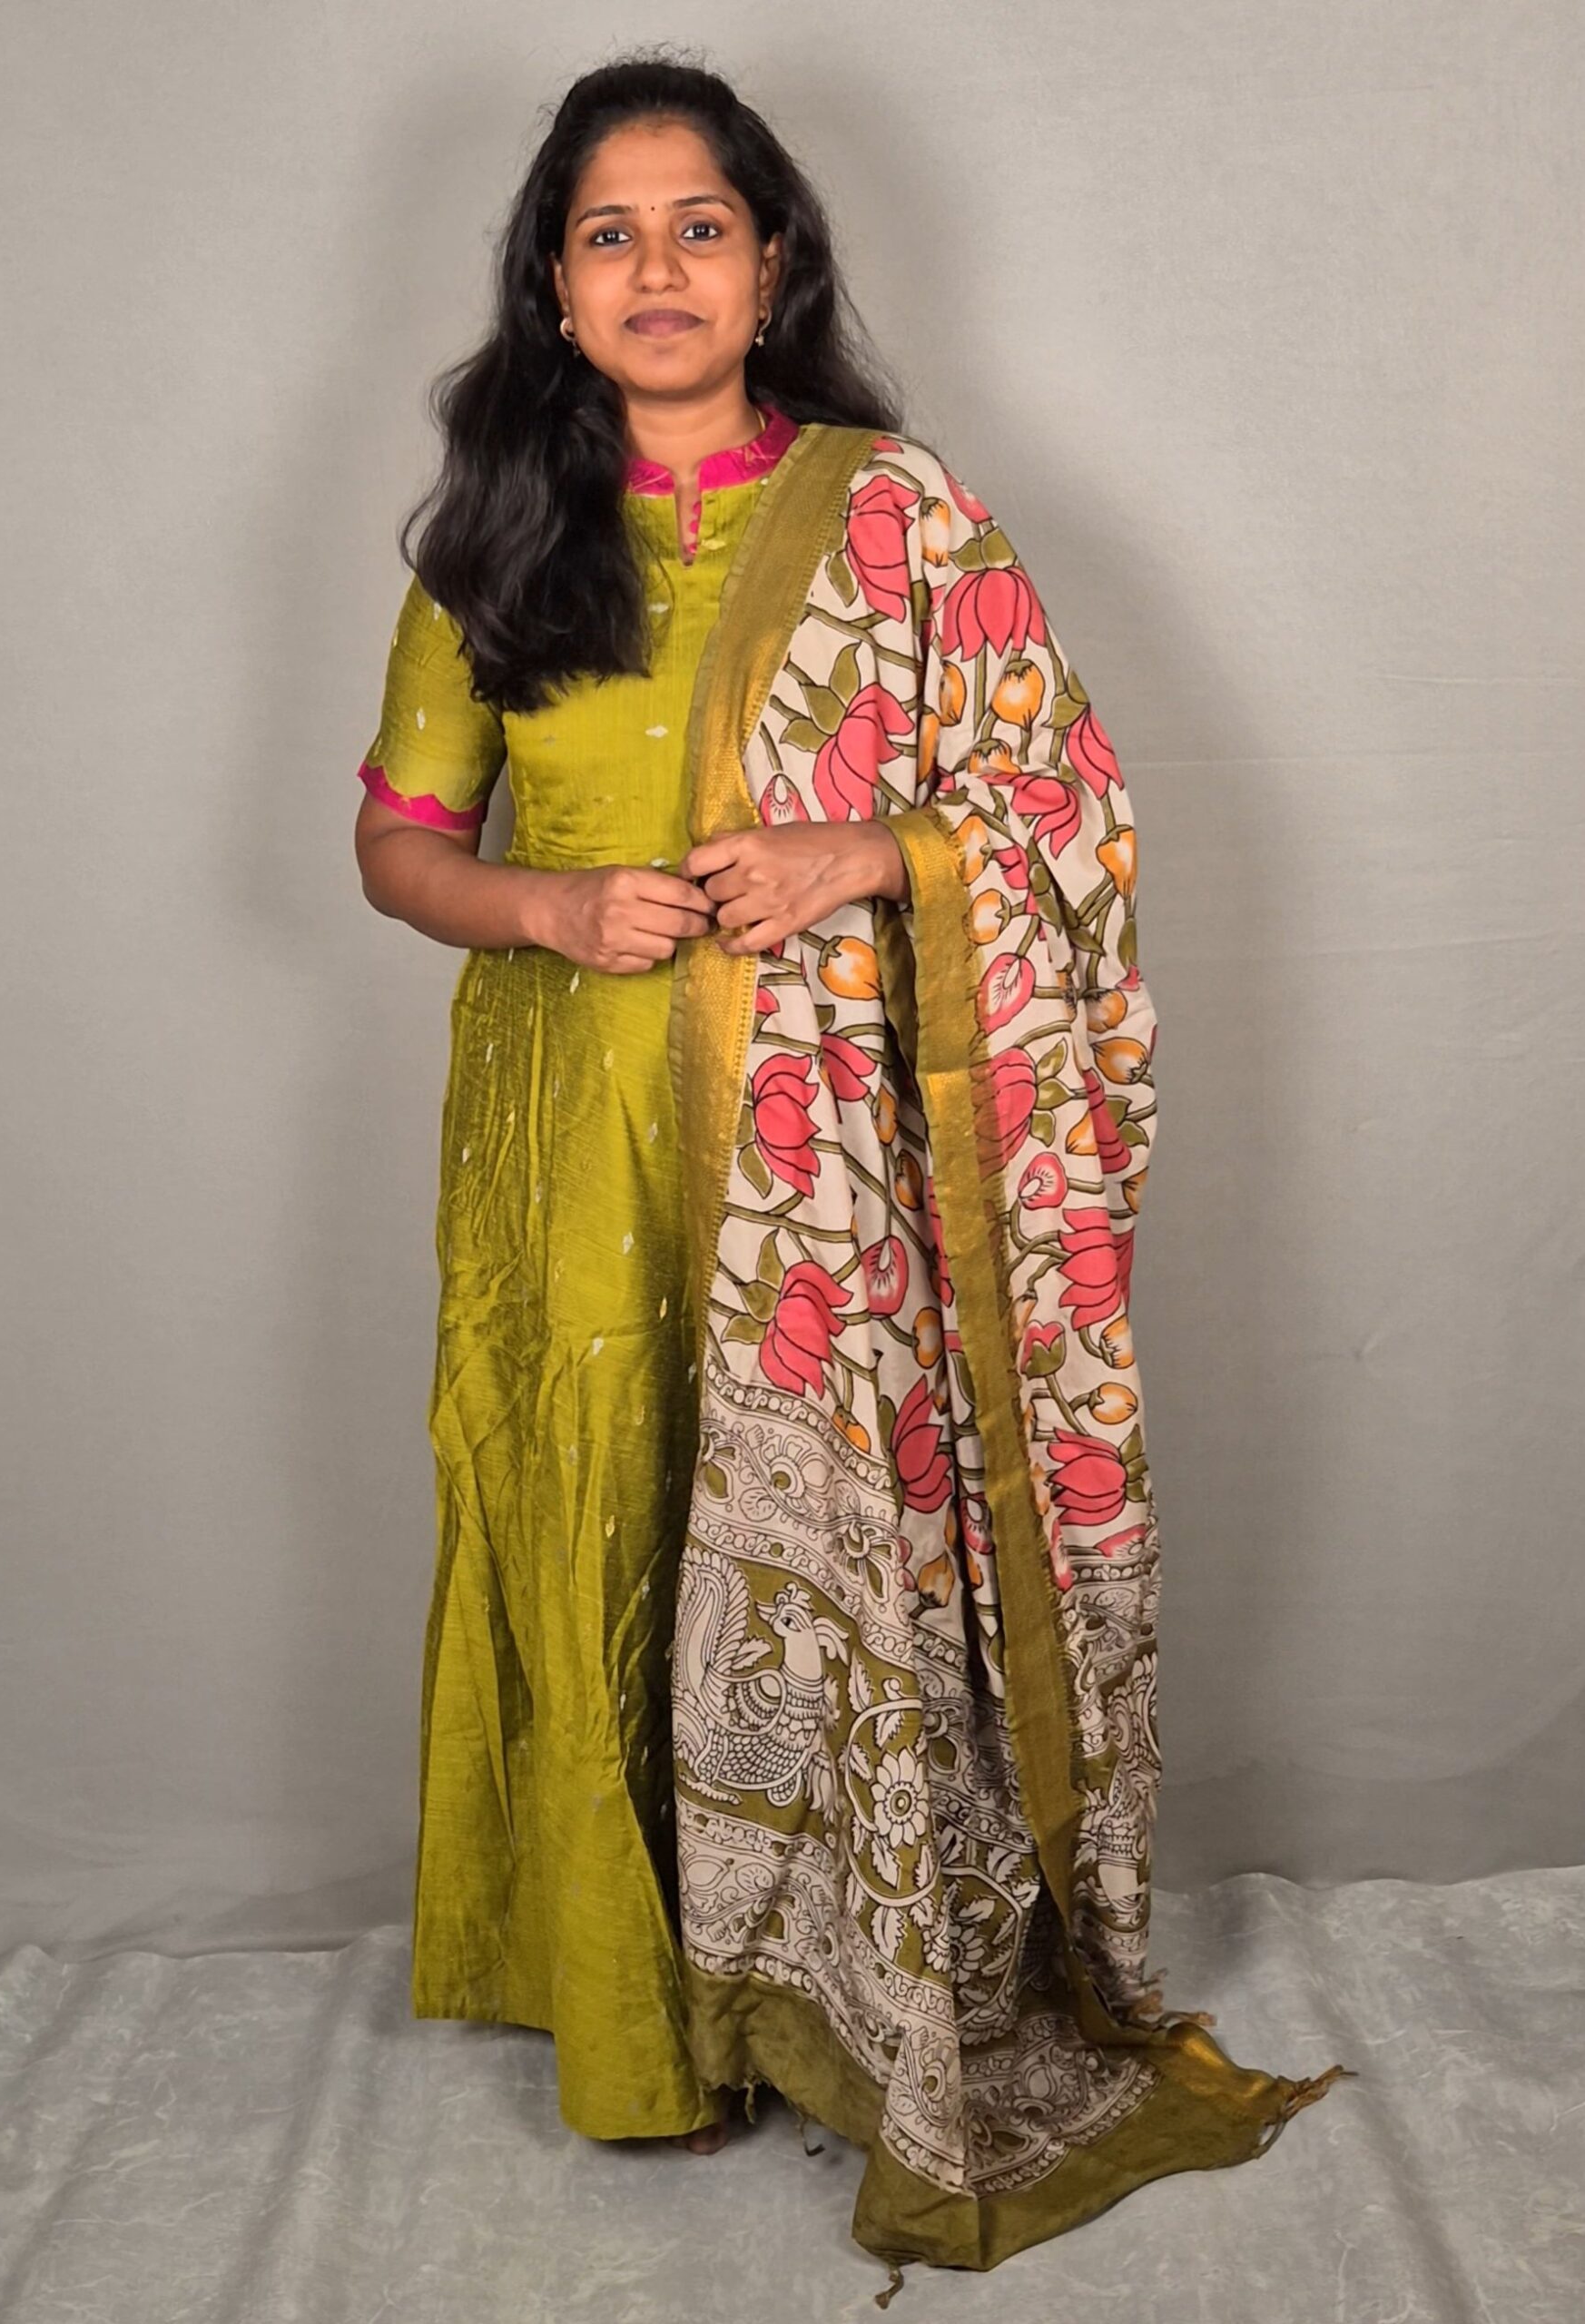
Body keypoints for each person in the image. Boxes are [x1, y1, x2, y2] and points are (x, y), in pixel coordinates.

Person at [352, 50, 1351, 2296]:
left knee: (823, 1558)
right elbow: (398, 845)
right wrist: (544, 903)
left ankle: (839, 1998)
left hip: (829, 1179)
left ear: (775, 260)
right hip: (574, 1143)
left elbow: (1064, 807)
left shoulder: (900, 516)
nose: (657, 267)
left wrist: (862, 850)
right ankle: (647, 2027)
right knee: (607, 1518)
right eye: (607, 233)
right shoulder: (492, 538)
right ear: (550, 283)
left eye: (699, 225)